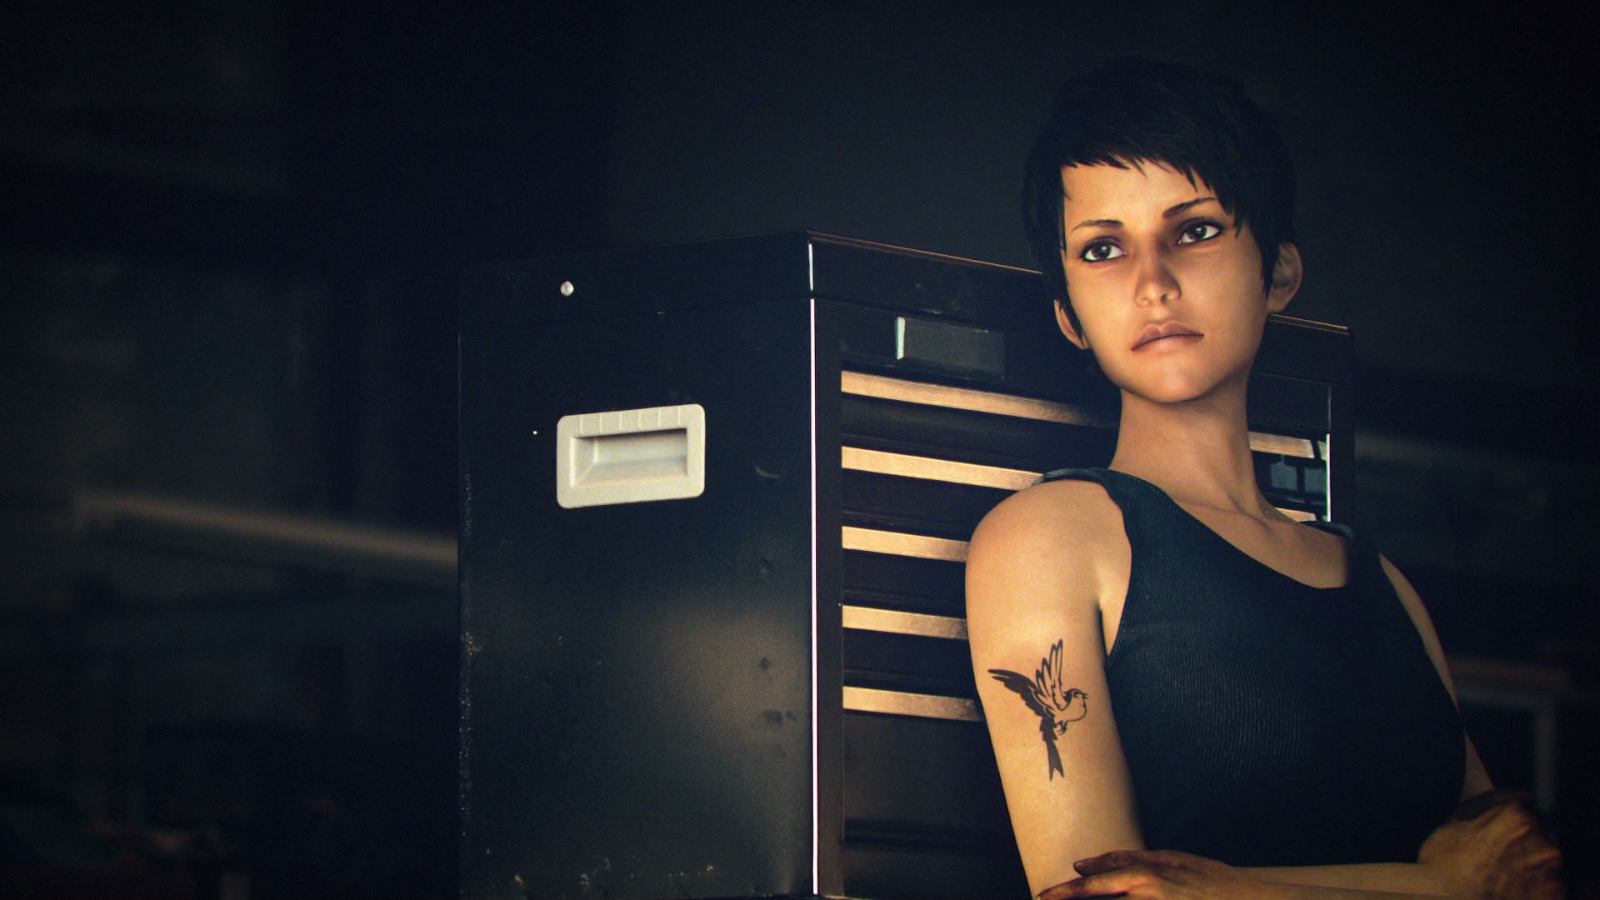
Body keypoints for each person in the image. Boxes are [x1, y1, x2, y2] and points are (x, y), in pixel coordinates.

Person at [964, 58, 1562, 900]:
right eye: (1103, 250)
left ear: (1278, 272)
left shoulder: (1385, 586)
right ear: (1069, 316)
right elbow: (1098, 895)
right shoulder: (1050, 539)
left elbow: (1523, 878)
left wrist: (1229, 889)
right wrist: (1439, 888)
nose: (1153, 283)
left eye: (1195, 231)